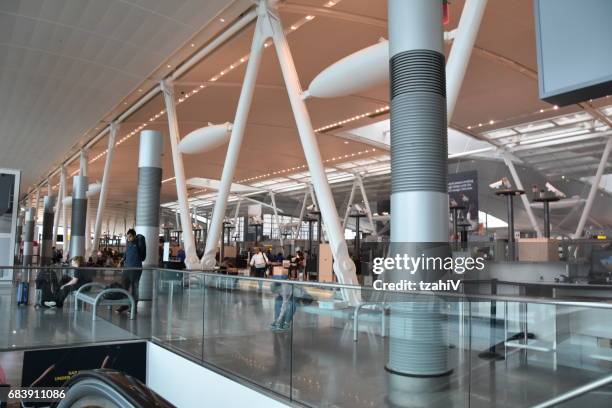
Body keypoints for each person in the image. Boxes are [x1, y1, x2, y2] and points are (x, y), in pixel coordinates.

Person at [117, 229, 143, 314]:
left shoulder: (138, 243)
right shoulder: (128, 243)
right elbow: (126, 254)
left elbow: (143, 256)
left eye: (130, 236)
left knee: (134, 288)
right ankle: (124, 305)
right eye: (127, 237)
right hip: (127, 269)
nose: (128, 238)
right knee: (124, 287)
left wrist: (139, 240)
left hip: (135, 269)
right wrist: (120, 261)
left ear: (134, 236)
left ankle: (134, 307)